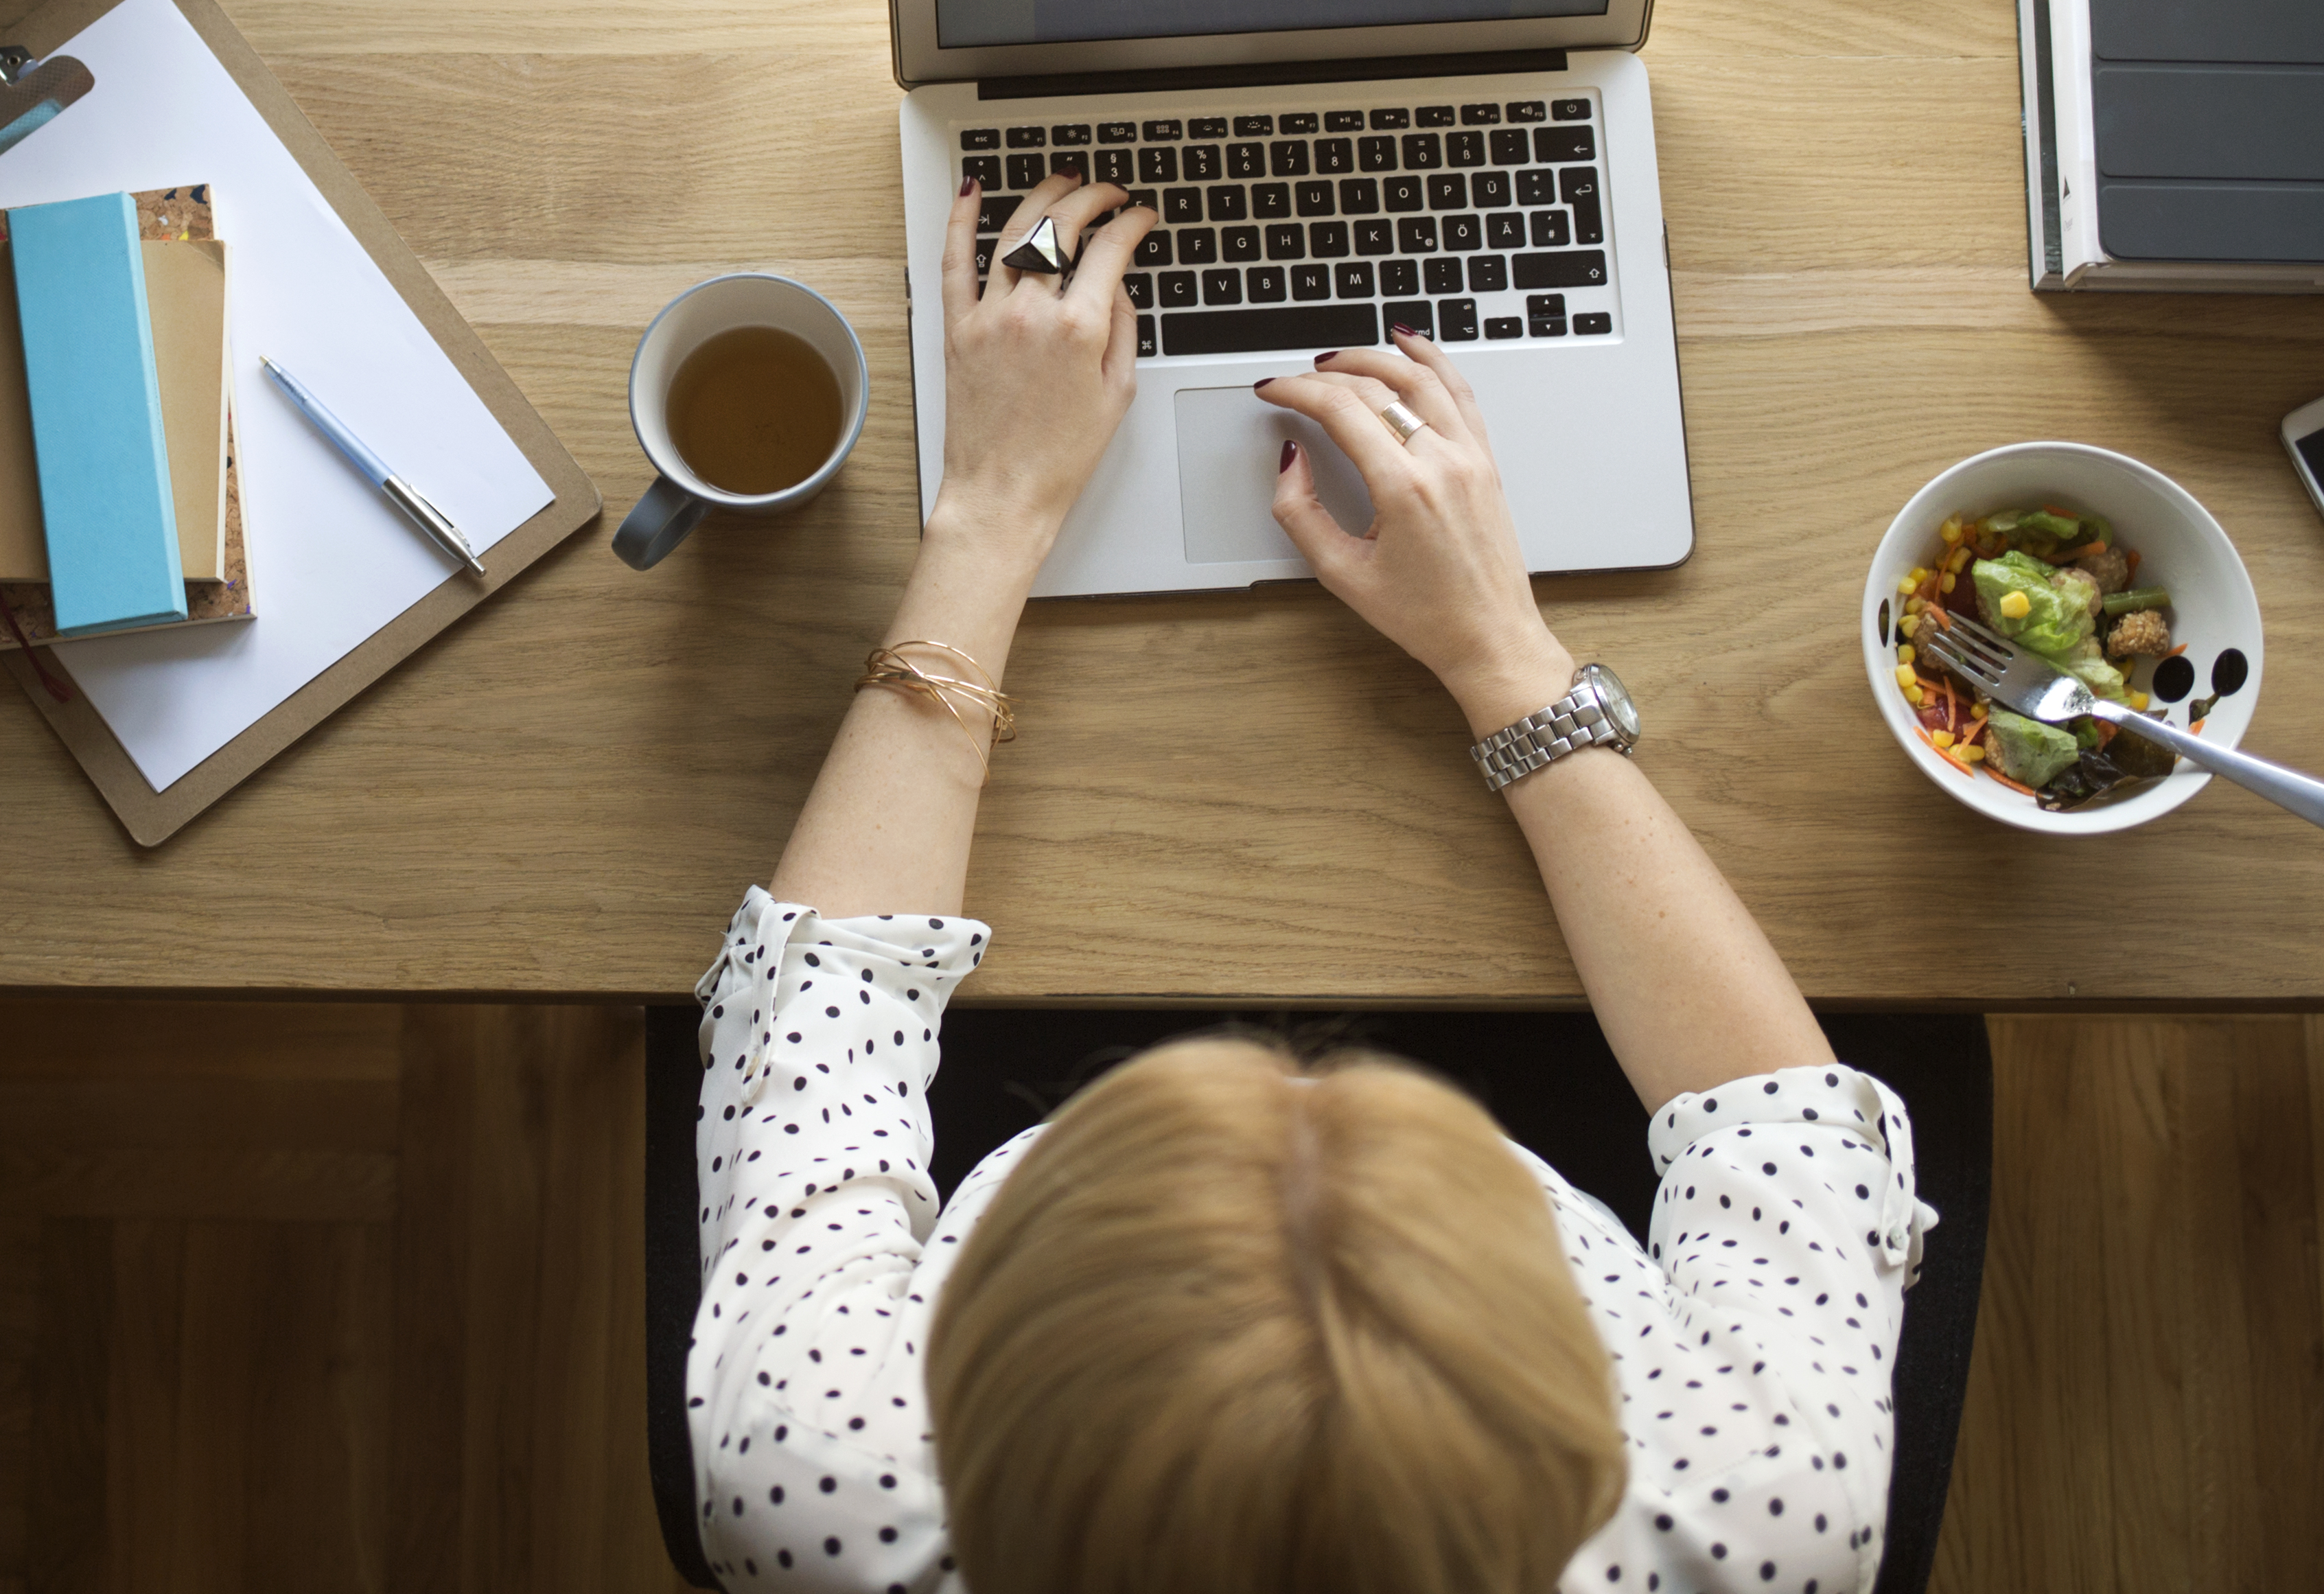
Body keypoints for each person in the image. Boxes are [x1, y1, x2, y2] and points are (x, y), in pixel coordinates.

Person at [688, 172, 1934, 1594]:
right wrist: (1503, 657)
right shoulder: (1763, 1510)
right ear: (1578, 1405)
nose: (1295, 1079)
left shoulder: (813, 1475)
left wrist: (990, 510)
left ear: (966, 1378)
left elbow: (819, 1003)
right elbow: (1779, 1122)